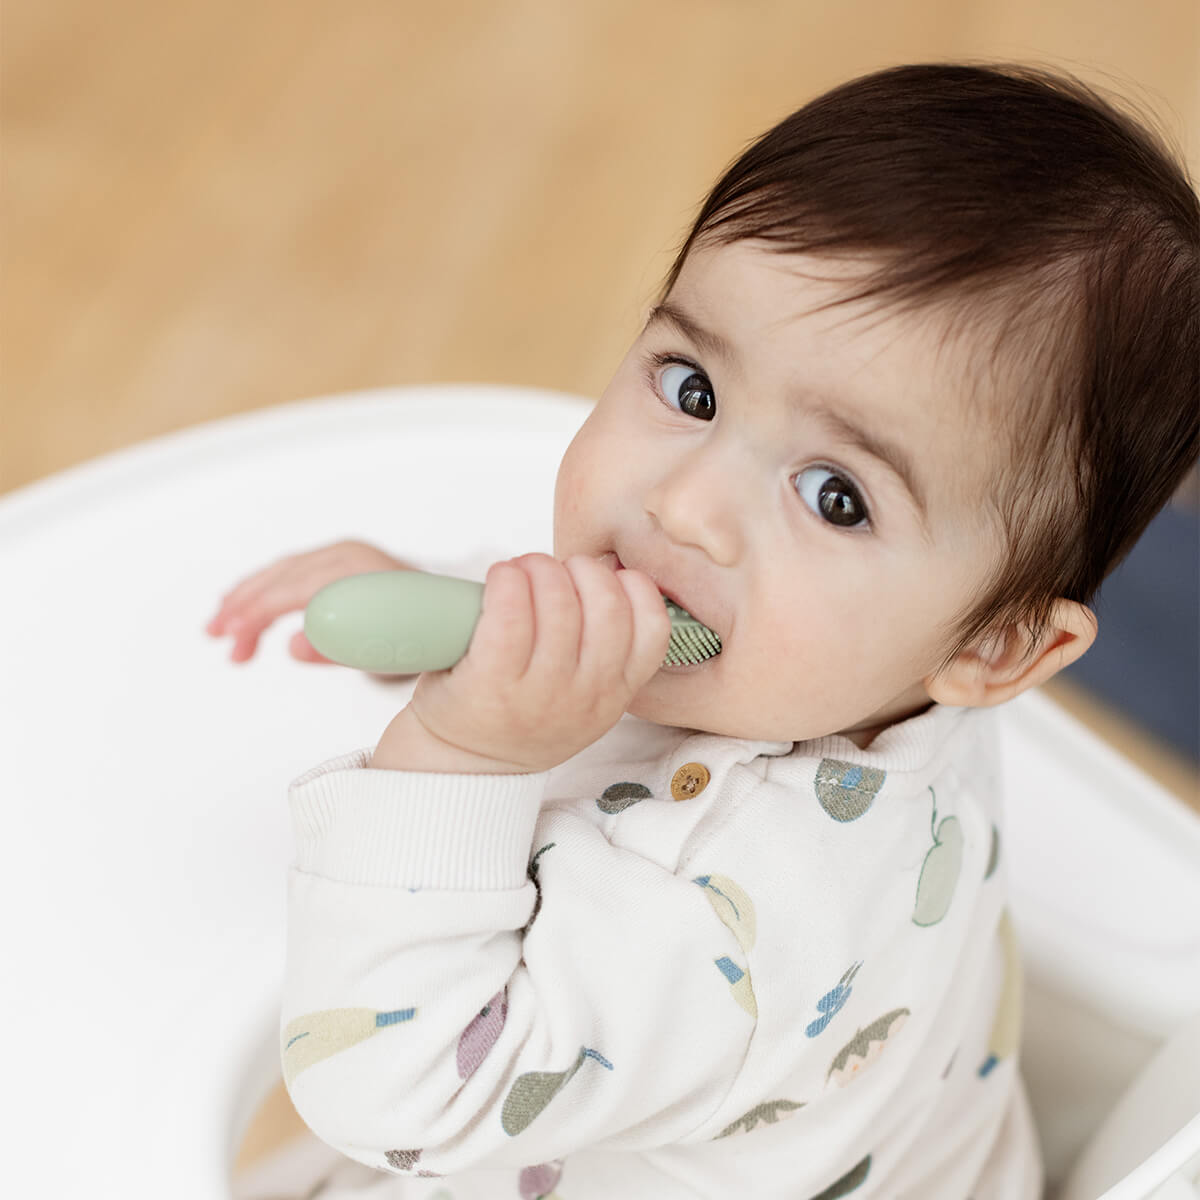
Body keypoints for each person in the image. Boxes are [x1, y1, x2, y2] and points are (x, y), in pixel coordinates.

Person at [210, 61, 1199, 1199]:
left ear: (995, 650)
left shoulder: (738, 924)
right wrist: (458, 610)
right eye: (691, 389)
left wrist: (461, 758)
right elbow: (626, 613)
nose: (683, 506)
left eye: (835, 496)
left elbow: (394, 1085)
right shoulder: (873, 663)